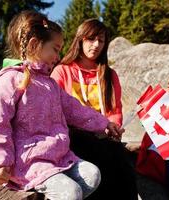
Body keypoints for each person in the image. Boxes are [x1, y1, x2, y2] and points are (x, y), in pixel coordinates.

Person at [0, 11, 124, 200]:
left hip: (58, 156)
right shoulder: (9, 80)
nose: (58, 56)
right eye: (55, 49)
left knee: (92, 175)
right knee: (71, 193)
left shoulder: (50, 84)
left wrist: (104, 123)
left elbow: (75, 109)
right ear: (34, 45)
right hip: (28, 162)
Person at [50, 19, 138, 200]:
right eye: (91, 39)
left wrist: (114, 126)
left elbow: (115, 108)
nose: (96, 44)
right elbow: (54, 110)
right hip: (73, 137)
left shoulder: (109, 74)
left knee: (126, 174)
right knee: (100, 165)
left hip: (105, 135)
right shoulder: (62, 71)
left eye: (102, 40)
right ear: (80, 40)